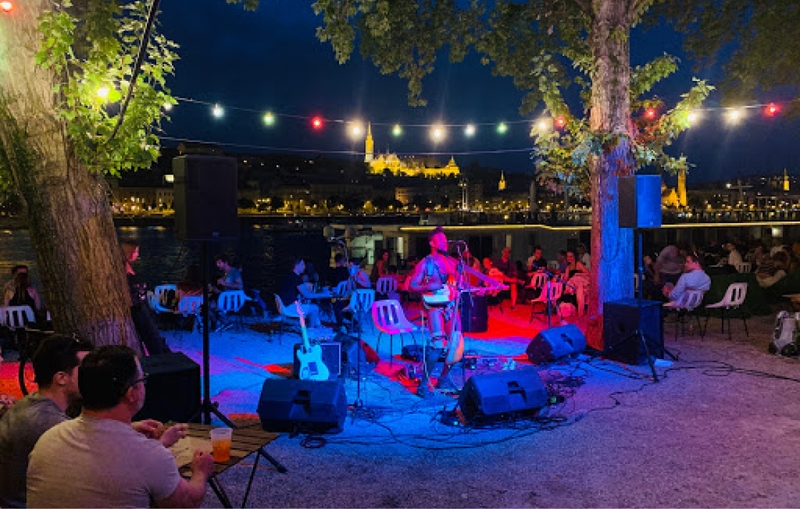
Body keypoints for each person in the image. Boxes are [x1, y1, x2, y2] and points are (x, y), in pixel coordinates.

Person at [27, 345, 213, 508]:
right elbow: (187, 502)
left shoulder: (47, 439)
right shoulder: (151, 456)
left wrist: (138, 436)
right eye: (142, 380)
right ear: (131, 393)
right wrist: (201, 472)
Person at [0, 335, 94, 508]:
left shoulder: (29, 405)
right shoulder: (49, 423)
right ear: (61, 378)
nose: (94, 376)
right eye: (86, 370)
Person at [407, 226, 461, 397]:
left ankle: (443, 378)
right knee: (438, 346)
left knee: (456, 345)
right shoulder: (426, 263)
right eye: (442, 241)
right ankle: (423, 385)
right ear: (432, 243)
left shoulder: (451, 262)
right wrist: (428, 285)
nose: (446, 243)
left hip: (451, 305)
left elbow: (457, 284)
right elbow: (411, 285)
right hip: (434, 308)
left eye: (446, 240)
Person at [122, 240, 170, 355]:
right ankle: (161, 357)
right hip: (137, 307)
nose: (137, 254)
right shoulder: (124, 268)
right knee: (151, 334)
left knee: (153, 333)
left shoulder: (125, 266)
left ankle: (163, 354)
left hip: (140, 306)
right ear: (131, 252)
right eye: (137, 251)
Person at [277, 257, 332, 328]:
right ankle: (310, 330)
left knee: (309, 305)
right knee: (315, 308)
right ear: (296, 266)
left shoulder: (290, 276)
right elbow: (308, 295)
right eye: (302, 264)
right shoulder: (296, 278)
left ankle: (318, 326)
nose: (304, 267)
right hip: (289, 307)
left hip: (284, 305)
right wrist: (324, 294)